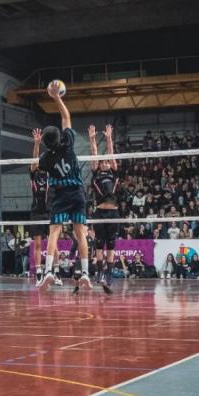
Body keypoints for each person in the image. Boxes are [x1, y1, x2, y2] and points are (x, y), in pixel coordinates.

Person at [35, 81, 91, 292]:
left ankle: (48, 270)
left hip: (59, 195)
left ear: (45, 143)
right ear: (59, 136)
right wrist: (57, 97)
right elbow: (66, 118)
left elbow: (36, 167)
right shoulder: (68, 142)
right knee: (81, 234)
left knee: (54, 233)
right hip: (76, 192)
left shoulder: (45, 159)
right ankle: (85, 273)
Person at [88, 123, 118, 294]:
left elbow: (112, 153)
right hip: (100, 212)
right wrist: (92, 138)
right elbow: (93, 153)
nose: (105, 163)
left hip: (113, 213)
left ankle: (109, 275)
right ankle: (99, 273)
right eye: (103, 162)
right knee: (99, 246)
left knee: (111, 247)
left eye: (107, 161)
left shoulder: (114, 173)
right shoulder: (96, 172)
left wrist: (108, 138)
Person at [28, 130, 51, 283]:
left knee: (51, 243)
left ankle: (53, 272)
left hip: (49, 211)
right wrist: (37, 143)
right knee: (37, 244)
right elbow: (35, 157)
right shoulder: (33, 173)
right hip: (36, 212)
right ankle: (38, 273)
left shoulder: (50, 174)